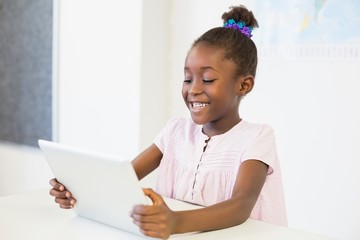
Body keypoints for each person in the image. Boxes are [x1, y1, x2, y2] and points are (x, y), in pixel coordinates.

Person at [49, 5, 287, 239]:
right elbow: (123, 178)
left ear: (243, 85)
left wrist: (175, 222)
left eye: (207, 79)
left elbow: (241, 204)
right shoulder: (176, 132)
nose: (193, 89)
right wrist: (80, 191)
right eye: (187, 78)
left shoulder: (257, 138)